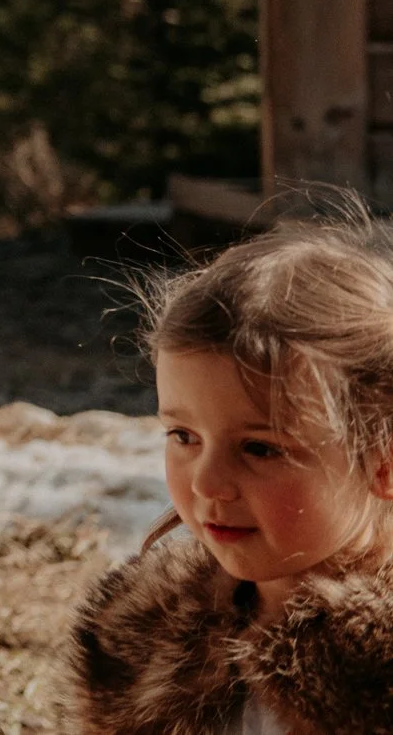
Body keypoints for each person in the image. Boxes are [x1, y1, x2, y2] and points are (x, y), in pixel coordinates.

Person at [70, 220, 393, 734]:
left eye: (260, 447)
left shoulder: (378, 681)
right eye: (183, 436)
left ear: (383, 463)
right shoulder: (142, 645)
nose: (207, 483)